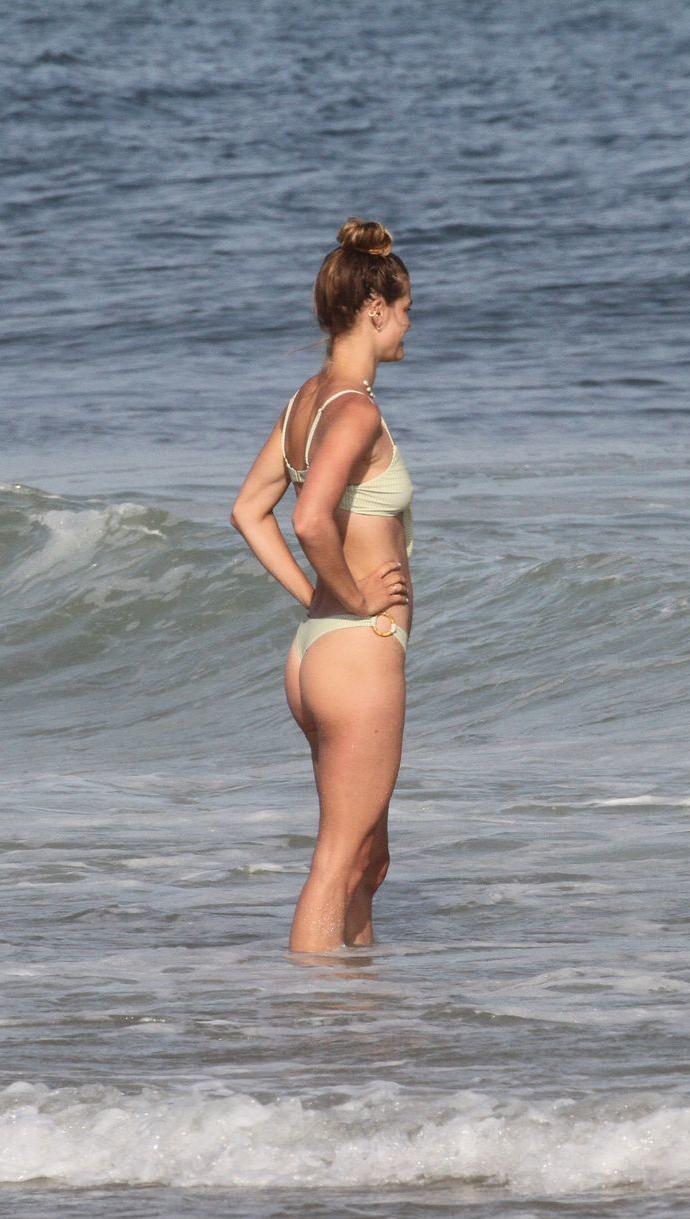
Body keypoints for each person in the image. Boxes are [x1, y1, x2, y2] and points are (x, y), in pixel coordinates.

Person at [229, 217, 416, 954]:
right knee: (339, 862)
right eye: (405, 310)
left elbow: (249, 512)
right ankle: (310, 1013)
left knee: (369, 862)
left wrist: (317, 602)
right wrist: (353, 597)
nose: (410, 325)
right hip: (357, 654)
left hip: (318, 650)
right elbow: (308, 520)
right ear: (375, 309)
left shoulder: (306, 401)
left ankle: (355, 1007)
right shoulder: (355, 410)